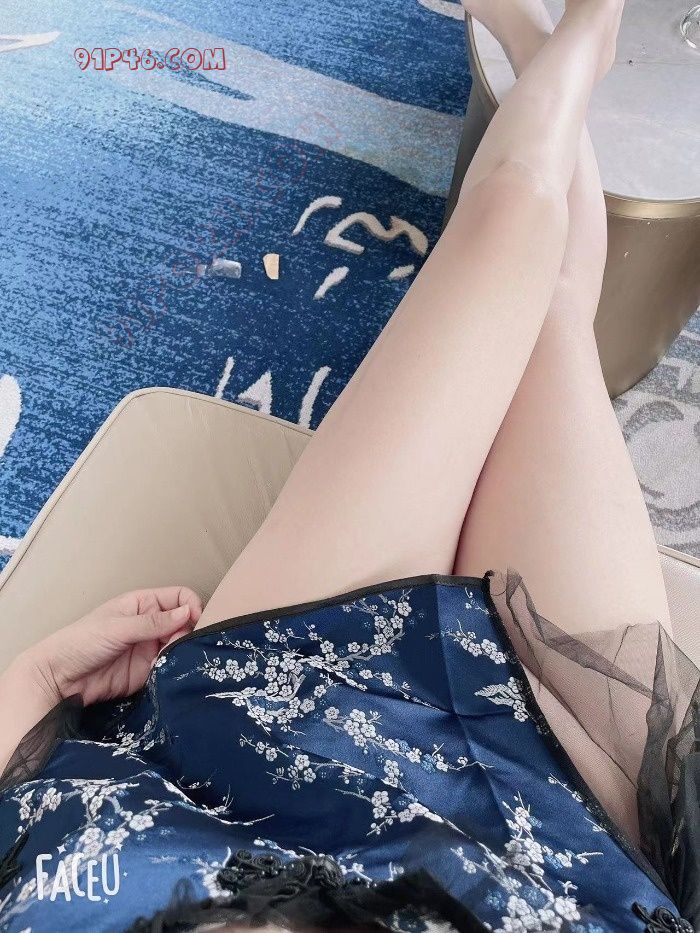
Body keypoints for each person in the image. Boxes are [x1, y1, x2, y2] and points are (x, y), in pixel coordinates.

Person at [0, 0, 697, 930]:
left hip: (261, 738)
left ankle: (562, 41)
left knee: (508, 225)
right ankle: (567, 42)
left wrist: (38, 676)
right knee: (555, 310)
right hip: (560, 862)